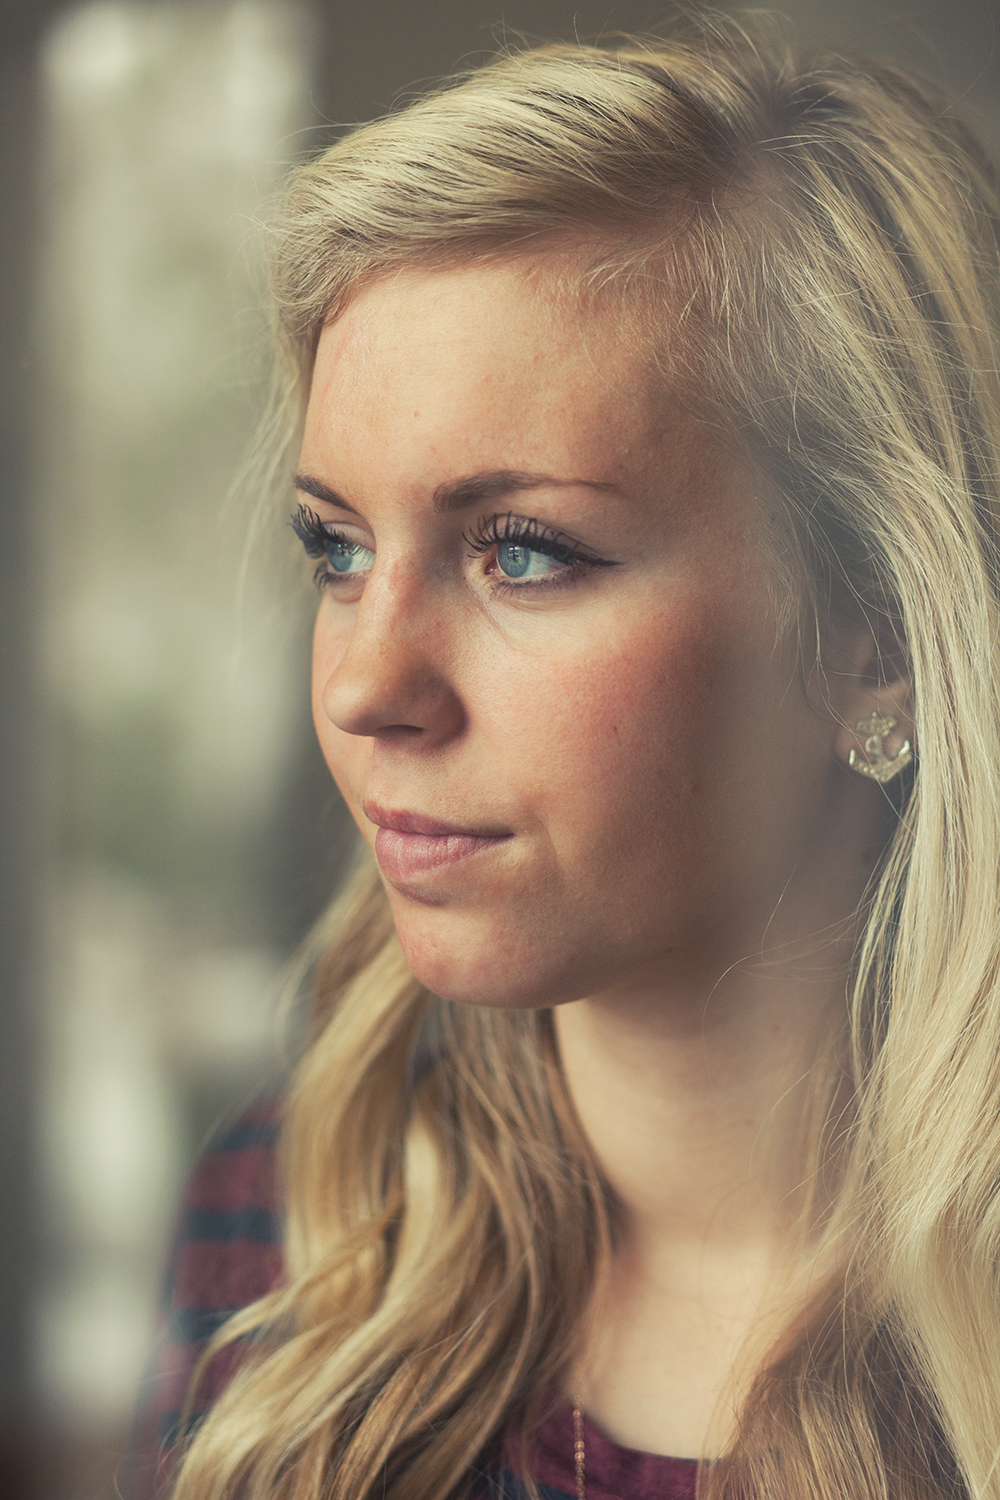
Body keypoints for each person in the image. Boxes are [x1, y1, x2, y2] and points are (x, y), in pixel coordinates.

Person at [131, 10, 1000, 1500]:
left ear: (875, 633)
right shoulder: (286, 1234)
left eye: (523, 552)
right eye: (336, 547)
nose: (363, 684)